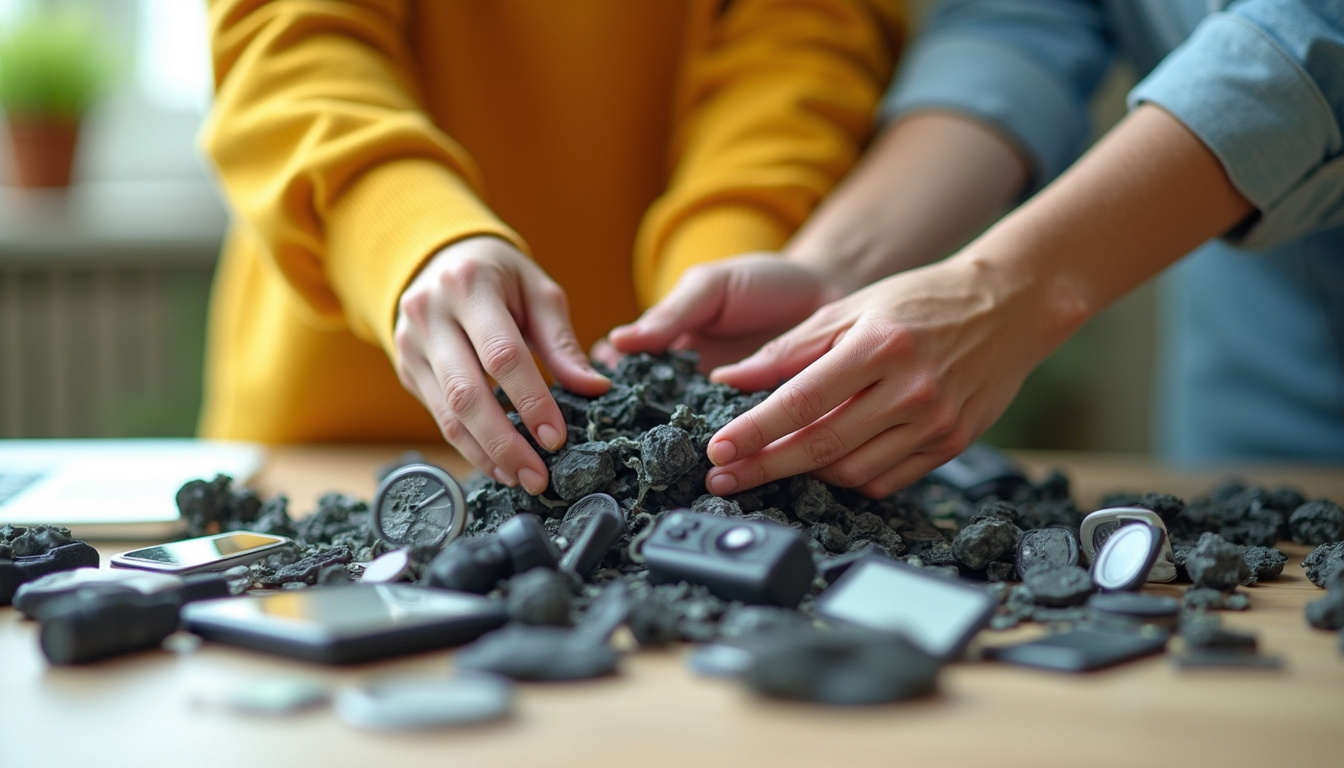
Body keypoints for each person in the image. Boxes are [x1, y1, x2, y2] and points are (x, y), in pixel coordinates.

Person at [608, 0, 1344, 498]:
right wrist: (833, 267)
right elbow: (1021, 16)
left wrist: (1021, 285)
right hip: (1263, 317)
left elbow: (1314, 29)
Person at [197, 0, 906, 494]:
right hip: (335, 425)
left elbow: (800, 43)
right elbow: (288, 37)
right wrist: (409, 233)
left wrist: (727, 256)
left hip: (711, 412)